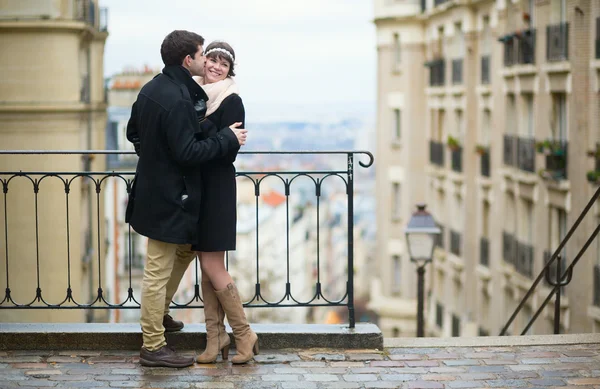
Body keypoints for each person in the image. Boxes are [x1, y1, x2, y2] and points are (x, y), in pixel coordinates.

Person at [125, 30, 247, 368]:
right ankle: (153, 344)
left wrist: (154, 157)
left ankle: (160, 315)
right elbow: (189, 151)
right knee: (158, 267)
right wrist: (226, 138)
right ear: (188, 60)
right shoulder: (178, 97)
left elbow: (133, 132)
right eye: (202, 54)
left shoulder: (152, 88)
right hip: (167, 195)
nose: (207, 60)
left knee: (180, 253)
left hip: (156, 189)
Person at [191, 41, 258, 365]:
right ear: (204, 63)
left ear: (231, 69)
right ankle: (215, 338)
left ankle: (244, 334)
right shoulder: (195, 96)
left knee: (213, 264)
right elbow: (202, 139)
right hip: (198, 186)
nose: (216, 66)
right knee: (206, 264)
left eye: (223, 63)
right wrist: (215, 133)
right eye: (212, 60)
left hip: (216, 186)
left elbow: (228, 150)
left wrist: (202, 133)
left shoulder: (232, 100)